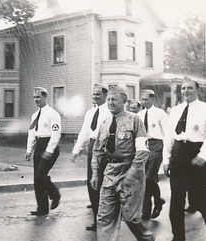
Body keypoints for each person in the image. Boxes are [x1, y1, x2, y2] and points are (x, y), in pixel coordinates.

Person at [91, 86, 154, 241]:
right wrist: (95, 173)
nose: (110, 103)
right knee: (104, 217)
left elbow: (142, 151)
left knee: (131, 218)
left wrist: (132, 173)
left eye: (114, 99)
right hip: (110, 172)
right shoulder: (105, 122)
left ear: (124, 101)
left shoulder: (135, 120)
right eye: (108, 100)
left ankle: (147, 239)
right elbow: (98, 151)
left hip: (130, 173)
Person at [163, 77, 206, 241]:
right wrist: (166, 159)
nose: (185, 91)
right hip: (178, 154)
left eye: (189, 88)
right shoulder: (175, 110)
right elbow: (169, 136)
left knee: (200, 199)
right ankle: (178, 236)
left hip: (196, 154)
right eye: (183, 88)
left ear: (198, 90)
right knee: (176, 200)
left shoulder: (204, 109)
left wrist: (202, 156)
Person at [71, 83, 110, 231]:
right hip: (92, 147)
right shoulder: (90, 113)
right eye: (93, 94)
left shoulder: (110, 111)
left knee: (104, 184)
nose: (94, 97)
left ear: (105, 96)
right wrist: (76, 150)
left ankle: (107, 218)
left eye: (98, 94)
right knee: (92, 183)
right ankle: (97, 219)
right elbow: (84, 133)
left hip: (105, 149)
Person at [25, 87, 61, 216]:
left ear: (45, 97)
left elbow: (56, 134)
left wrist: (49, 150)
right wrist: (29, 150)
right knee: (37, 178)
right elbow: (32, 133)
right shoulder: (35, 115)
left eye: (38, 97)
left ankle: (54, 193)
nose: (36, 100)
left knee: (41, 176)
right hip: (39, 145)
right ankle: (42, 208)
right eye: (34, 97)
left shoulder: (53, 114)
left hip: (49, 144)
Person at [138, 90, 167, 220]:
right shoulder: (139, 114)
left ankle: (150, 206)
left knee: (149, 178)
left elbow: (166, 134)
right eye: (143, 100)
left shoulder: (160, 113)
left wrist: (167, 154)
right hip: (144, 146)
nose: (144, 102)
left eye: (147, 99)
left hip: (156, 146)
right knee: (145, 179)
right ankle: (154, 203)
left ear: (153, 99)